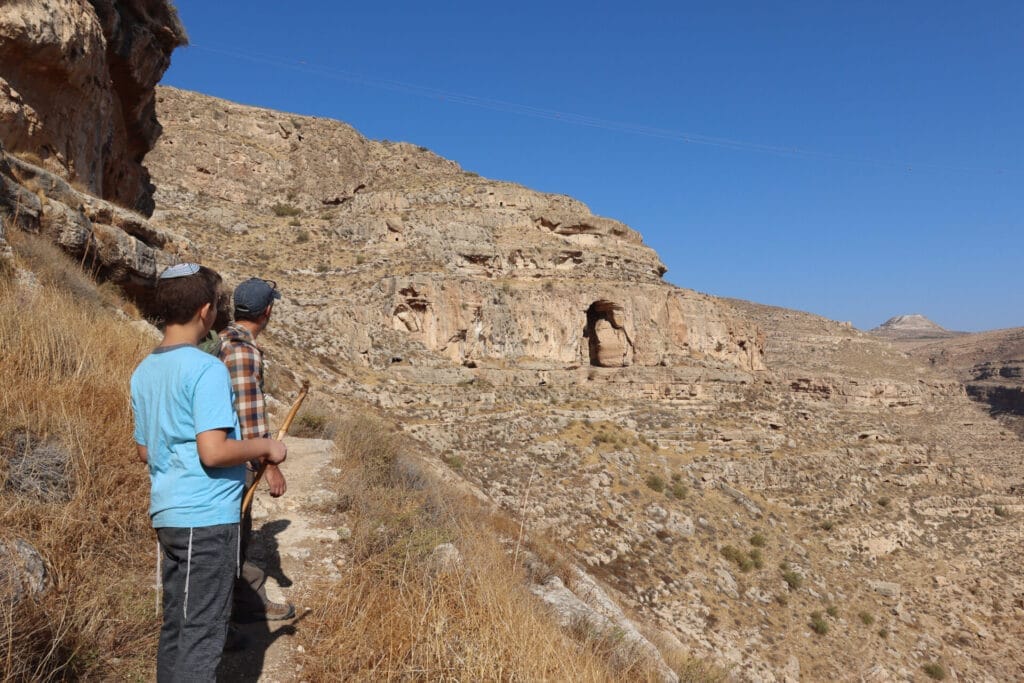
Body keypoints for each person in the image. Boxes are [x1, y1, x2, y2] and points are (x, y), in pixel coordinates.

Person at [130, 263, 287, 681]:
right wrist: (266, 447)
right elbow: (214, 452)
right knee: (203, 635)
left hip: (169, 515)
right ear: (206, 311)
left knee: (178, 627)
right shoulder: (206, 370)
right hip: (207, 518)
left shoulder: (144, 370)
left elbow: (147, 451)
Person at [218, 277, 295, 622]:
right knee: (233, 535)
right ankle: (236, 609)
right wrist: (270, 466)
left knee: (230, 533)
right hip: (235, 461)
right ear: (267, 312)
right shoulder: (243, 351)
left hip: (219, 456)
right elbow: (248, 415)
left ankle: (235, 602)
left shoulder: (220, 341)